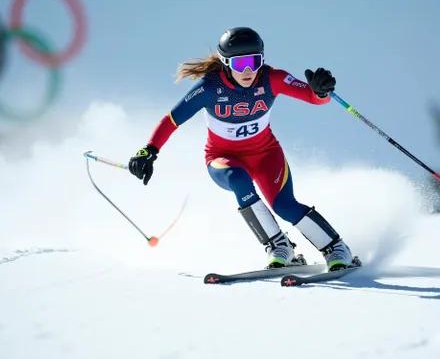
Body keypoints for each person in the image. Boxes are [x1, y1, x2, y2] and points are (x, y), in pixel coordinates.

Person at [127, 26, 360, 271]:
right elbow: (172, 119)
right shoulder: (209, 88)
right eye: (240, 64)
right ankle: (280, 246)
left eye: (254, 61)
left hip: (266, 155)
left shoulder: (272, 79)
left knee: (284, 205)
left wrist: (320, 91)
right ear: (226, 63)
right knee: (238, 179)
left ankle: (336, 248)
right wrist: (149, 151)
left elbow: (313, 98)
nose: (248, 70)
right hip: (222, 159)